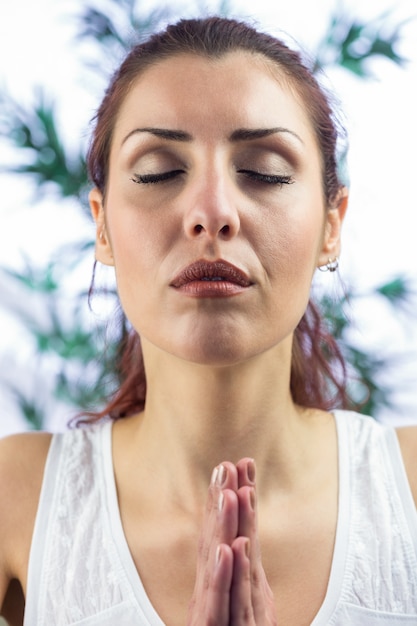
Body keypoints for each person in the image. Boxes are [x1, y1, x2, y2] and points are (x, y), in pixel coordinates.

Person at [1, 15, 417, 626]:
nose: (212, 212)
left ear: (333, 224)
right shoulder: (19, 498)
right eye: (159, 172)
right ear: (102, 225)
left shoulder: (410, 488)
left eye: (266, 171)